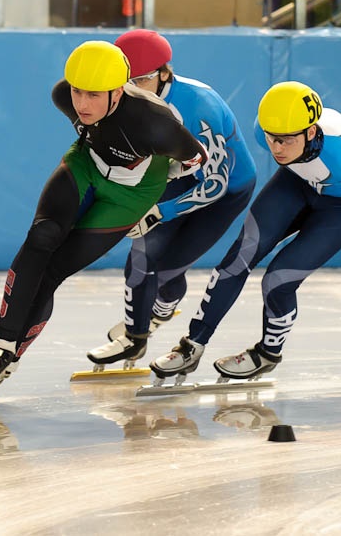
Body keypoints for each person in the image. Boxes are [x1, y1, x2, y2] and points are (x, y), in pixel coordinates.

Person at [0, 40, 208, 394]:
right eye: (79, 92)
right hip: (86, 166)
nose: (82, 104)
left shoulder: (154, 122)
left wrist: (161, 182)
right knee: (41, 239)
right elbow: (88, 124)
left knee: (53, 270)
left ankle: (10, 359)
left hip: (131, 193)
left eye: (94, 95)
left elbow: (196, 159)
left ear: (119, 91)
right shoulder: (62, 96)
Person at [149, 81, 341, 380]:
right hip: (298, 182)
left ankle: (268, 353)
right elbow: (278, 141)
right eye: (273, 140)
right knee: (239, 257)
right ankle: (192, 345)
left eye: (285, 140)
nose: (277, 149)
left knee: (278, 279)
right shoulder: (266, 131)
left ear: (311, 132)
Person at [85, 29, 257, 366]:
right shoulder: (123, 99)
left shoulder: (199, 106)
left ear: (166, 73)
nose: (131, 91)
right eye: (124, 82)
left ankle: (160, 311)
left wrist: (160, 211)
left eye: (141, 81)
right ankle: (135, 338)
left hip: (224, 189)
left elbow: (215, 183)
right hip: (178, 174)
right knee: (141, 256)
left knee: (167, 269)